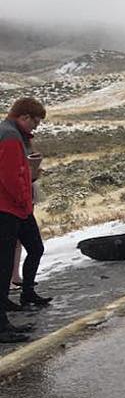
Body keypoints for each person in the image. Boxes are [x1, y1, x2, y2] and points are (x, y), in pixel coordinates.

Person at [0, 97, 49, 343]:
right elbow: (10, 177)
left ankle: (25, 294)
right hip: (9, 208)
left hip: (17, 207)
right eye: (35, 122)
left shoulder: (15, 135)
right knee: (4, 262)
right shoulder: (9, 137)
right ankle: (2, 326)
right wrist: (23, 201)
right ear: (24, 117)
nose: (36, 127)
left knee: (34, 248)